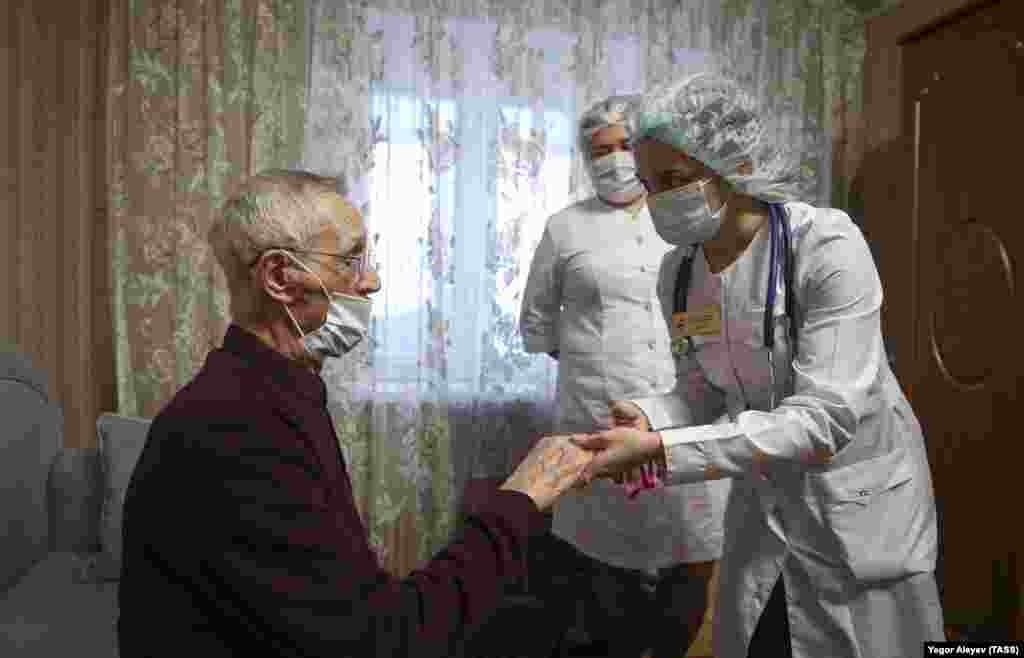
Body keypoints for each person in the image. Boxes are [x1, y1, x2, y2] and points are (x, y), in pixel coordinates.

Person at [117, 170, 595, 658]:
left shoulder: (276, 390)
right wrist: (522, 497)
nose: (370, 280)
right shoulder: (233, 427)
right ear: (280, 277)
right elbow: (381, 642)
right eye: (350, 260)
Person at [571, 73, 946, 658]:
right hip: (765, 511)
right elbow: (701, 392)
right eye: (650, 185)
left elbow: (824, 419)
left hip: (855, 508)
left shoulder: (824, 246)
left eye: (673, 180)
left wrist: (665, 452)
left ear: (733, 164)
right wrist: (649, 417)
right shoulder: (681, 274)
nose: (658, 201)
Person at [519, 96, 729, 658]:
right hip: (599, 410)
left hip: (687, 410)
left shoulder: (686, 219)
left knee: (692, 548)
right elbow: (537, 323)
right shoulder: (566, 228)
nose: (613, 160)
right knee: (603, 562)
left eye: (623, 146)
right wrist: (593, 362)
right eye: (599, 151)